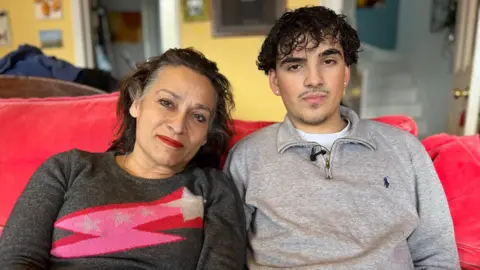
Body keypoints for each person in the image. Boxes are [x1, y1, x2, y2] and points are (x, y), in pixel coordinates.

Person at [224, 6, 459, 269]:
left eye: (328, 61)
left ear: (345, 72)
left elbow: (438, 256)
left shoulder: (404, 149)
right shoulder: (247, 157)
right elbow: (225, 255)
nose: (313, 80)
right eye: (294, 65)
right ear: (275, 82)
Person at [0, 48, 246, 269]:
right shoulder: (67, 169)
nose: (178, 125)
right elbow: (17, 259)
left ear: (206, 136)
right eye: (166, 103)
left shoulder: (214, 190)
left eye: (198, 117)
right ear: (136, 104)